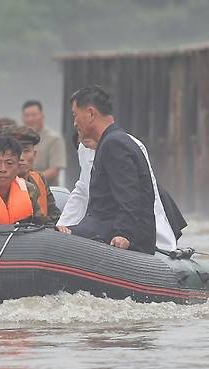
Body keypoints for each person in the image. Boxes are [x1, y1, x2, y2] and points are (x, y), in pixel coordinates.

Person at [67, 85, 156, 254]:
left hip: (115, 234)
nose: (75, 123)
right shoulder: (111, 140)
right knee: (59, 232)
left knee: (61, 238)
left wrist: (124, 233)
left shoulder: (114, 144)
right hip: (102, 227)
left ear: (91, 113)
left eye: (75, 115)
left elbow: (130, 195)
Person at [58, 134, 181, 250]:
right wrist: (63, 226)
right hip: (104, 220)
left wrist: (162, 242)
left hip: (138, 217)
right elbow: (82, 190)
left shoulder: (126, 145)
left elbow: (145, 195)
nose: (82, 136)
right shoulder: (83, 148)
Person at [0, 125, 62, 226]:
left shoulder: (39, 180)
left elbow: (55, 217)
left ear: (34, 154)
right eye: (15, 152)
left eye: (26, 151)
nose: (21, 157)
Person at [21, 100, 66, 186]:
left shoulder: (54, 139)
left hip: (47, 188)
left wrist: (30, 181)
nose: (30, 119)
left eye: (34, 115)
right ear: (22, 118)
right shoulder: (16, 139)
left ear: (42, 116)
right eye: (27, 116)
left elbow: (54, 170)